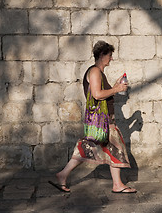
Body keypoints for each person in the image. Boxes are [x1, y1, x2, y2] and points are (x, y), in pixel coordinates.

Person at [49, 41, 137, 194]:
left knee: (88, 148)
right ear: (102, 55)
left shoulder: (98, 72)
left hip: (100, 121)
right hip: (102, 121)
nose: (111, 59)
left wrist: (114, 87)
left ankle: (63, 175)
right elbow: (97, 94)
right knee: (116, 148)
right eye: (109, 55)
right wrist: (116, 89)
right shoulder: (95, 71)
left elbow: (102, 92)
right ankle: (117, 185)